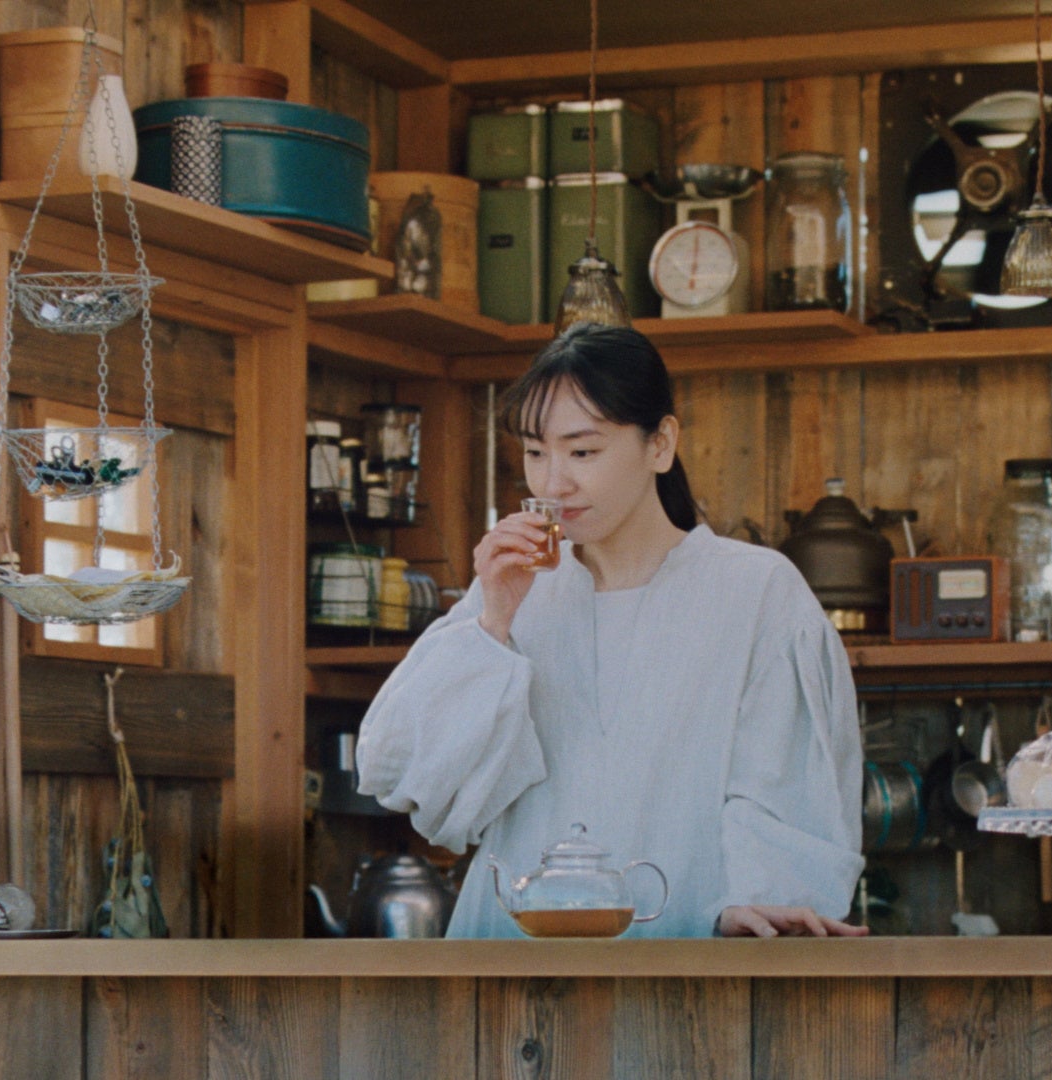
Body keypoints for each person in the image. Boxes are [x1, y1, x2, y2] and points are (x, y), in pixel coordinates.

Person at [357, 324, 866, 939]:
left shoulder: (756, 592)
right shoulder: (510, 595)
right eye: (536, 453)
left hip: (688, 958)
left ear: (661, 444)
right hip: (515, 969)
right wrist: (492, 622)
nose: (552, 484)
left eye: (583, 451)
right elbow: (414, 788)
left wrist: (756, 899)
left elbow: (786, 792)